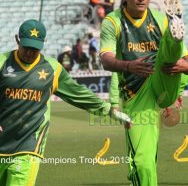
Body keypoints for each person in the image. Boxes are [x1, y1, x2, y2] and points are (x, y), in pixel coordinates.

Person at [0, 19, 130, 186]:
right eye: (26, 47)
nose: (30, 53)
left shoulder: (52, 69)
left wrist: (109, 110)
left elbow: (78, 94)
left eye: (35, 48)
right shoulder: (3, 62)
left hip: (28, 145)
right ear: (17, 40)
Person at [99, 0, 188, 186]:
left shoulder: (159, 18)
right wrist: (128, 66)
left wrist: (187, 66)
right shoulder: (113, 22)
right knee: (143, 160)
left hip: (162, 78)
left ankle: (174, 32)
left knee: (165, 55)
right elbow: (105, 59)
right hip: (136, 93)